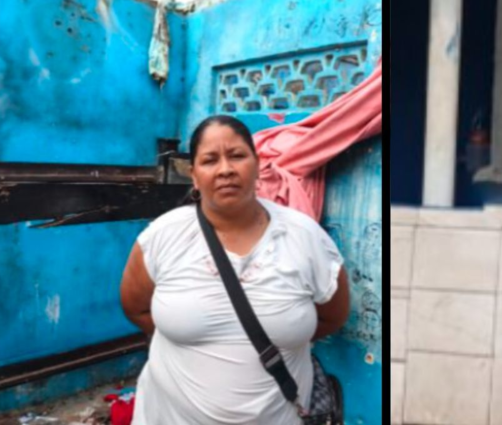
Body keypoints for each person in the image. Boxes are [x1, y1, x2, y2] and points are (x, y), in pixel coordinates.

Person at [119, 115, 351, 424]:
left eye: (237, 156)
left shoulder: (305, 238)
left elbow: (332, 316)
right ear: (194, 175)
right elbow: (136, 308)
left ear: (257, 165)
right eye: (210, 160)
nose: (225, 169)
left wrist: (283, 335)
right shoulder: (162, 236)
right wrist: (187, 336)